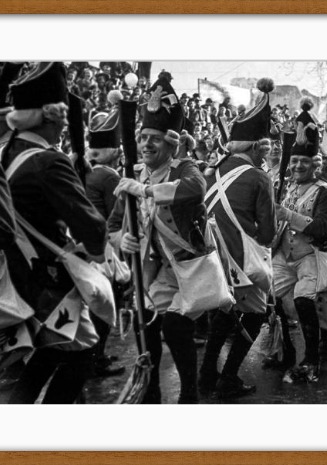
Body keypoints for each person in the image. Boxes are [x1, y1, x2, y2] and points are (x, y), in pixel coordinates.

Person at [0, 62, 108, 404]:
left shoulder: (4, 150)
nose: (65, 124)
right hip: (47, 279)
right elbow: (93, 227)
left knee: (51, 350)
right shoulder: (49, 161)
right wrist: (92, 251)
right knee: (83, 352)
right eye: (62, 117)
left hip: (15, 273)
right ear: (50, 116)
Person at [108, 72, 208, 404]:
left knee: (176, 331)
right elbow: (113, 225)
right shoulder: (133, 174)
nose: (147, 144)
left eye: (156, 138)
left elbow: (197, 189)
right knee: (146, 330)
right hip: (149, 272)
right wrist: (123, 242)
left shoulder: (184, 168)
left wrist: (148, 190)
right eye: (143, 137)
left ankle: (189, 396)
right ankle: (150, 395)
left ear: (171, 142)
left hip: (187, 272)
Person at [199, 77, 277, 399]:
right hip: (242, 263)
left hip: (212, 257)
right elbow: (269, 233)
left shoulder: (212, 170)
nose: (267, 154)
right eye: (266, 148)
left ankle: (206, 374)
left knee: (223, 313)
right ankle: (228, 378)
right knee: (256, 315)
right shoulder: (260, 178)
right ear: (258, 147)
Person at [272, 97, 327, 382]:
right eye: (294, 160)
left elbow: (322, 229)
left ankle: (311, 360)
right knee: (269, 299)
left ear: (315, 163)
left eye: (303, 161)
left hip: (311, 256)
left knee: (302, 301)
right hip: (284, 256)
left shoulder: (326, 192)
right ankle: (284, 350)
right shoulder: (287, 189)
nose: (297, 165)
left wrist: (286, 214)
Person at [84, 105, 126, 377]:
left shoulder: (88, 170)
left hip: (88, 245)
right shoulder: (109, 175)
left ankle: (93, 356)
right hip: (105, 247)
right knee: (107, 302)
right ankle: (95, 359)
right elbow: (118, 215)